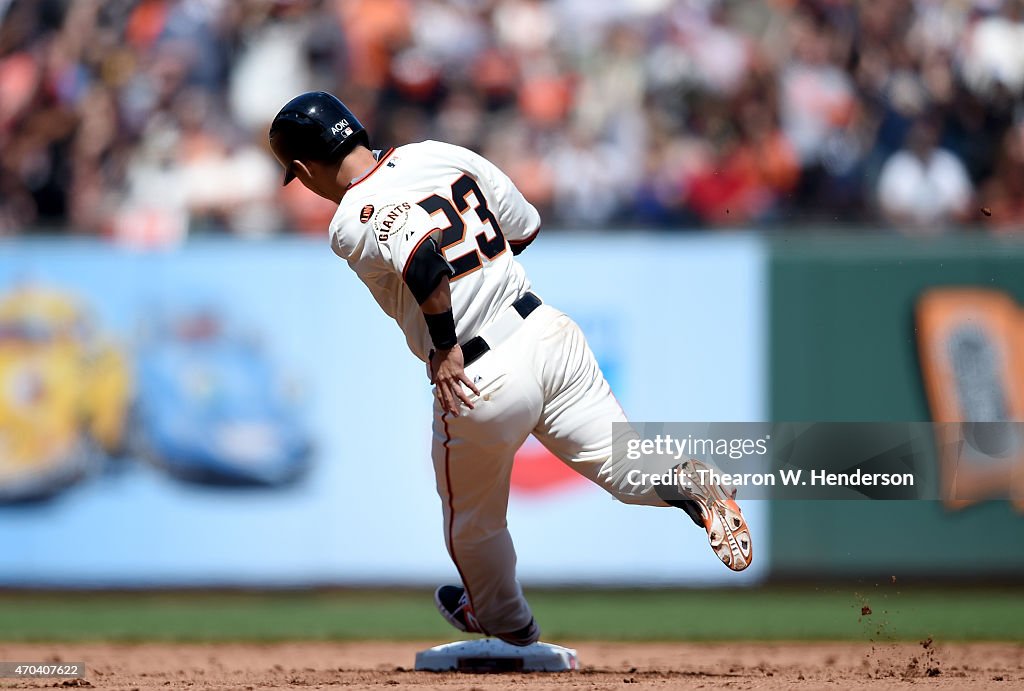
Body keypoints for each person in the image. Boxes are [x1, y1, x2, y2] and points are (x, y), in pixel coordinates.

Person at [268, 91, 752, 646]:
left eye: (296, 175)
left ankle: (507, 623)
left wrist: (445, 345)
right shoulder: (438, 153)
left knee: (472, 524)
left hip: (479, 373)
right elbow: (523, 228)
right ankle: (689, 484)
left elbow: (424, 259)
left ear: (304, 169)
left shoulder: (352, 216)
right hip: (546, 331)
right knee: (625, 466)